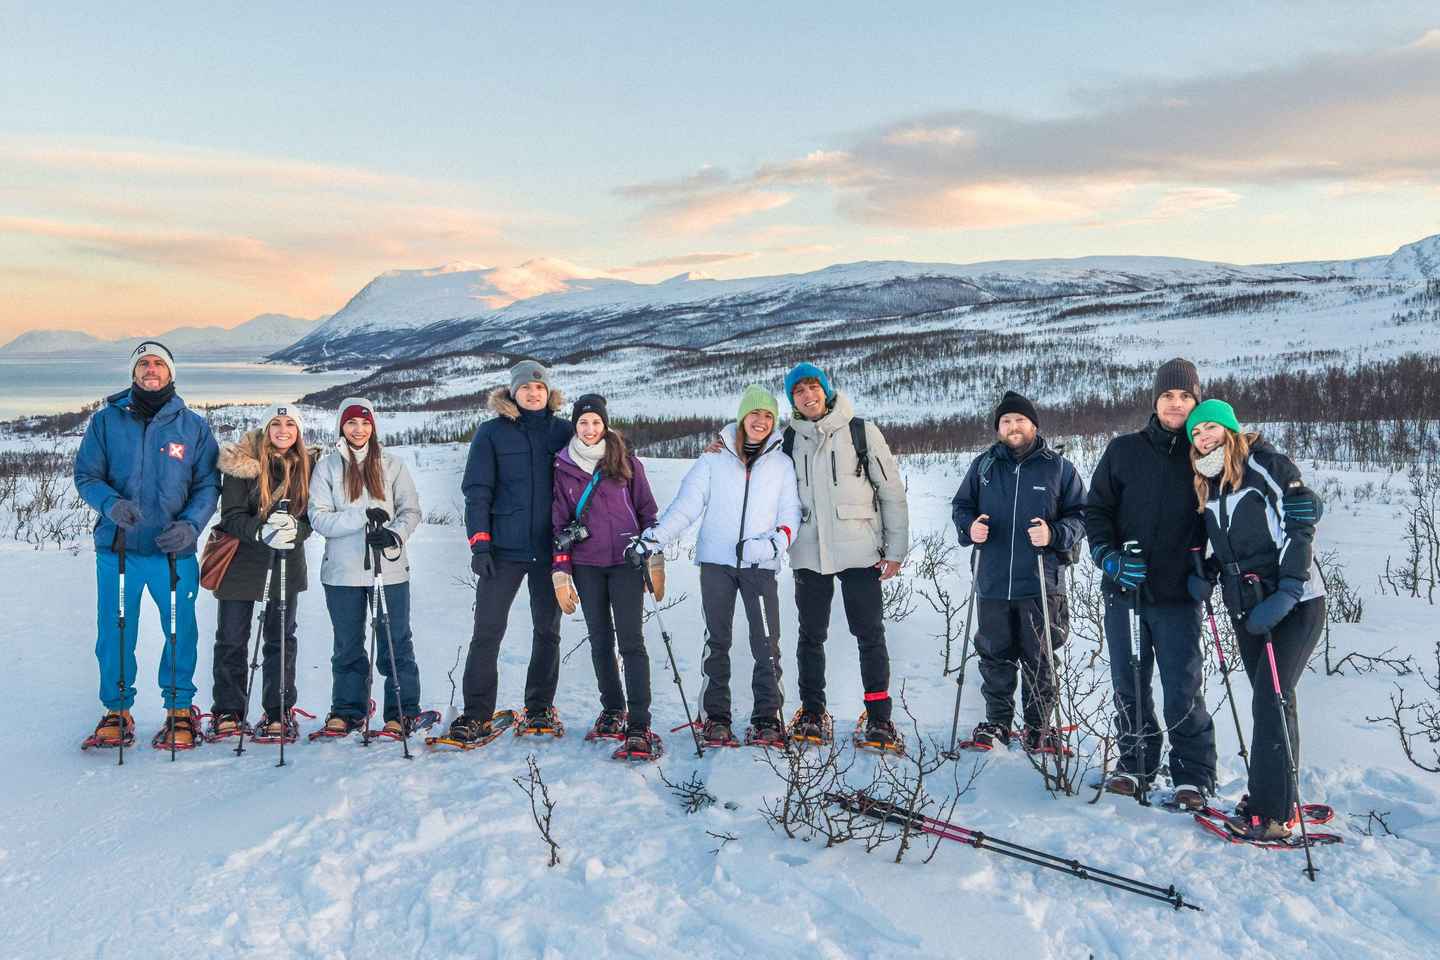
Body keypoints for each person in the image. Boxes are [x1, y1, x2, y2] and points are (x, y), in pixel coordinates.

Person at [1186, 399, 1326, 840]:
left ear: (1229, 428)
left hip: (1295, 604)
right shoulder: (1210, 484)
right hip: (1248, 608)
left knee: (1270, 700)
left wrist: (1288, 591)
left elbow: (1299, 523)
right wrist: (1208, 573)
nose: (1202, 436)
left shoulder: (1263, 464)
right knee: (1275, 702)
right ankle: (1278, 796)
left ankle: (1270, 813)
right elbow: (1232, 548)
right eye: (1195, 432)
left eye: (1210, 427)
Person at [74, 341, 220, 750]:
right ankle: (117, 710)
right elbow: (87, 475)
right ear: (134, 373)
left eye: (158, 363)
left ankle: (179, 709)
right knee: (116, 631)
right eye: (143, 364)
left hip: (173, 554)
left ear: (171, 373)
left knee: (179, 630)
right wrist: (111, 504)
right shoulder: (106, 423)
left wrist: (191, 526)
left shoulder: (193, 427)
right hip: (119, 550)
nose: (150, 369)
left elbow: (208, 484)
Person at [1085, 358, 1217, 809]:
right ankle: (1135, 764)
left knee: (1182, 684)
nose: (1176, 404)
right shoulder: (1123, 451)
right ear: (1155, 401)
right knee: (1129, 681)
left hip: (1179, 594)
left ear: (1196, 401)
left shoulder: (1207, 454)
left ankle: (1193, 776)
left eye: (1185, 397)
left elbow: (1233, 509)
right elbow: (1096, 511)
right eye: (1168, 396)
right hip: (1126, 591)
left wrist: (1208, 569)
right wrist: (1109, 558)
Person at [643, 384, 801, 747]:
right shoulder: (712, 459)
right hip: (716, 564)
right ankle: (715, 717)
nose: (760, 421)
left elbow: (791, 513)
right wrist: (653, 541)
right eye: (754, 414)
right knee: (717, 640)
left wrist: (773, 544)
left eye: (767, 415)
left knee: (766, 643)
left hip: (759, 565)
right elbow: (685, 507)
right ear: (742, 416)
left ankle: (768, 718)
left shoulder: (781, 463)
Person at [781, 362, 909, 750]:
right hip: (808, 551)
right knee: (811, 635)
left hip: (860, 549)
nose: (808, 395)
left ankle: (879, 717)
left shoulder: (860, 431)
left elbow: (891, 492)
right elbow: (749, 454)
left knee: (869, 633)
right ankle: (813, 711)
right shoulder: (787, 440)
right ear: (793, 400)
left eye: (812, 387)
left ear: (825, 390)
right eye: (799, 391)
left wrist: (896, 549)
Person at [952, 391, 1086, 752]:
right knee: (995, 655)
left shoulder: (1058, 468)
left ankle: (1038, 727)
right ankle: (997, 723)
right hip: (993, 580)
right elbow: (962, 506)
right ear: (998, 428)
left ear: (1033, 425)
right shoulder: (983, 467)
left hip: (1040, 581)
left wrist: (1054, 533)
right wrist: (970, 529)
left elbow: (1080, 516)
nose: (1013, 427)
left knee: (1039, 656)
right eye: (1006, 421)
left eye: (1019, 420)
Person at [449, 361, 572, 744]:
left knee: (547, 631)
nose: (532, 393)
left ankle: (539, 708)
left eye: (539, 388)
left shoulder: (564, 432)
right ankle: (475, 714)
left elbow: (603, 457)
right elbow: (477, 491)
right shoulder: (491, 434)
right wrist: (480, 543)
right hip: (502, 551)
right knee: (487, 631)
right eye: (525, 389)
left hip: (551, 552)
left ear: (548, 393)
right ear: (512, 393)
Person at [550, 394, 662, 758]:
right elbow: (560, 523)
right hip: (587, 566)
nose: (590, 429)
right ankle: (613, 708)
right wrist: (561, 571)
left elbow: (648, 512)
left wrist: (653, 555)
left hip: (627, 563)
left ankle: (640, 721)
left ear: (605, 424)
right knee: (600, 640)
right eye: (583, 422)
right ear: (575, 425)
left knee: (632, 642)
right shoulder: (563, 467)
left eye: (596, 422)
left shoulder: (625, 461)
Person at [308, 398, 425, 739]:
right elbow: (319, 517)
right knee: (347, 645)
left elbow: (411, 511)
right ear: (341, 427)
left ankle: (402, 711)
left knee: (394, 642)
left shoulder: (392, 465)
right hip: (341, 573)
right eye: (351, 423)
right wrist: (361, 516)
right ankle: (347, 710)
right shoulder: (327, 467)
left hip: (388, 571)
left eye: (364, 423)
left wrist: (393, 535)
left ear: (373, 427)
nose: (358, 429)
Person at [209, 404, 318, 742]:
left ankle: (278, 710)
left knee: (281, 639)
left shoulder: (308, 467)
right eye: (276, 423)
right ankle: (228, 710)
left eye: (290, 424)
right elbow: (231, 515)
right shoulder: (243, 464)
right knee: (231, 638)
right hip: (241, 561)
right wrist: (261, 529)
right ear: (266, 428)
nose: (283, 430)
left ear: (298, 431)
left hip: (286, 560)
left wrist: (294, 531)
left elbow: (311, 517)